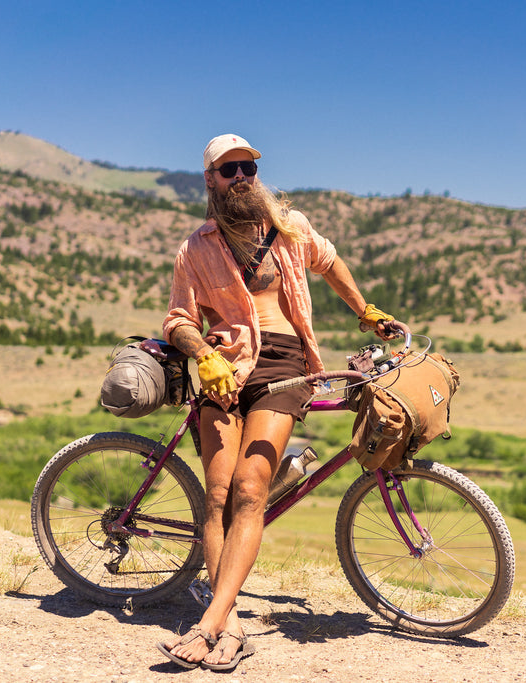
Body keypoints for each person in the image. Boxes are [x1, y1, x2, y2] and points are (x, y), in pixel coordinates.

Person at [156, 133, 396, 671]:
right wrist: (202, 354)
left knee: (249, 487)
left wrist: (368, 312)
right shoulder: (196, 248)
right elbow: (176, 319)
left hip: (286, 367)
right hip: (225, 370)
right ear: (210, 181)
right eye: (228, 170)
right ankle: (230, 623)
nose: (241, 178)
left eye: (248, 168)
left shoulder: (291, 229)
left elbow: (331, 264)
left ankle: (209, 623)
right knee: (216, 495)